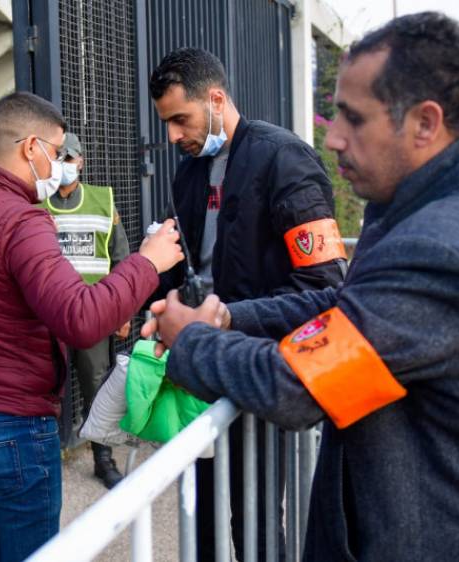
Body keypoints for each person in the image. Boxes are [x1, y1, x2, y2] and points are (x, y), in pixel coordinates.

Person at [144, 12, 459, 561]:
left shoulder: (445, 247)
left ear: (425, 124)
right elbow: (347, 306)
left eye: (352, 118)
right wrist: (231, 319)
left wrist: (192, 339)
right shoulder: (434, 210)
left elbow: (301, 385)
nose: (331, 138)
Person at [0, 91, 184, 561]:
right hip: (13, 427)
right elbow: (81, 318)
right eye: (56, 151)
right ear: (31, 148)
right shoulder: (23, 221)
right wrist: (146, 263)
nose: (60, 165)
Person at [148, 46, 346, 559]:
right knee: (203, 518)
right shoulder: (189, 170)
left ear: (216, 99)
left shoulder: (285, 159)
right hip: (201, 372)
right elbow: (196, 267)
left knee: (256, 524)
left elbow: (326, 291)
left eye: (179, 120)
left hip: (261, 372)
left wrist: (230, 318)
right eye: (166, 123)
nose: (173, 136)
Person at [39, 132, 131, 489]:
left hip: (93, 313)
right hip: (50, 315)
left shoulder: (102, 200)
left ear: (81, 162)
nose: (65, 164)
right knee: (45, 387)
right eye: (59, 157)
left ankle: (103, 459)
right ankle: (46, 456)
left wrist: (123, 311)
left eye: (70, 157)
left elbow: (121, 259)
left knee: (97, 385)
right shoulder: (37, 204)